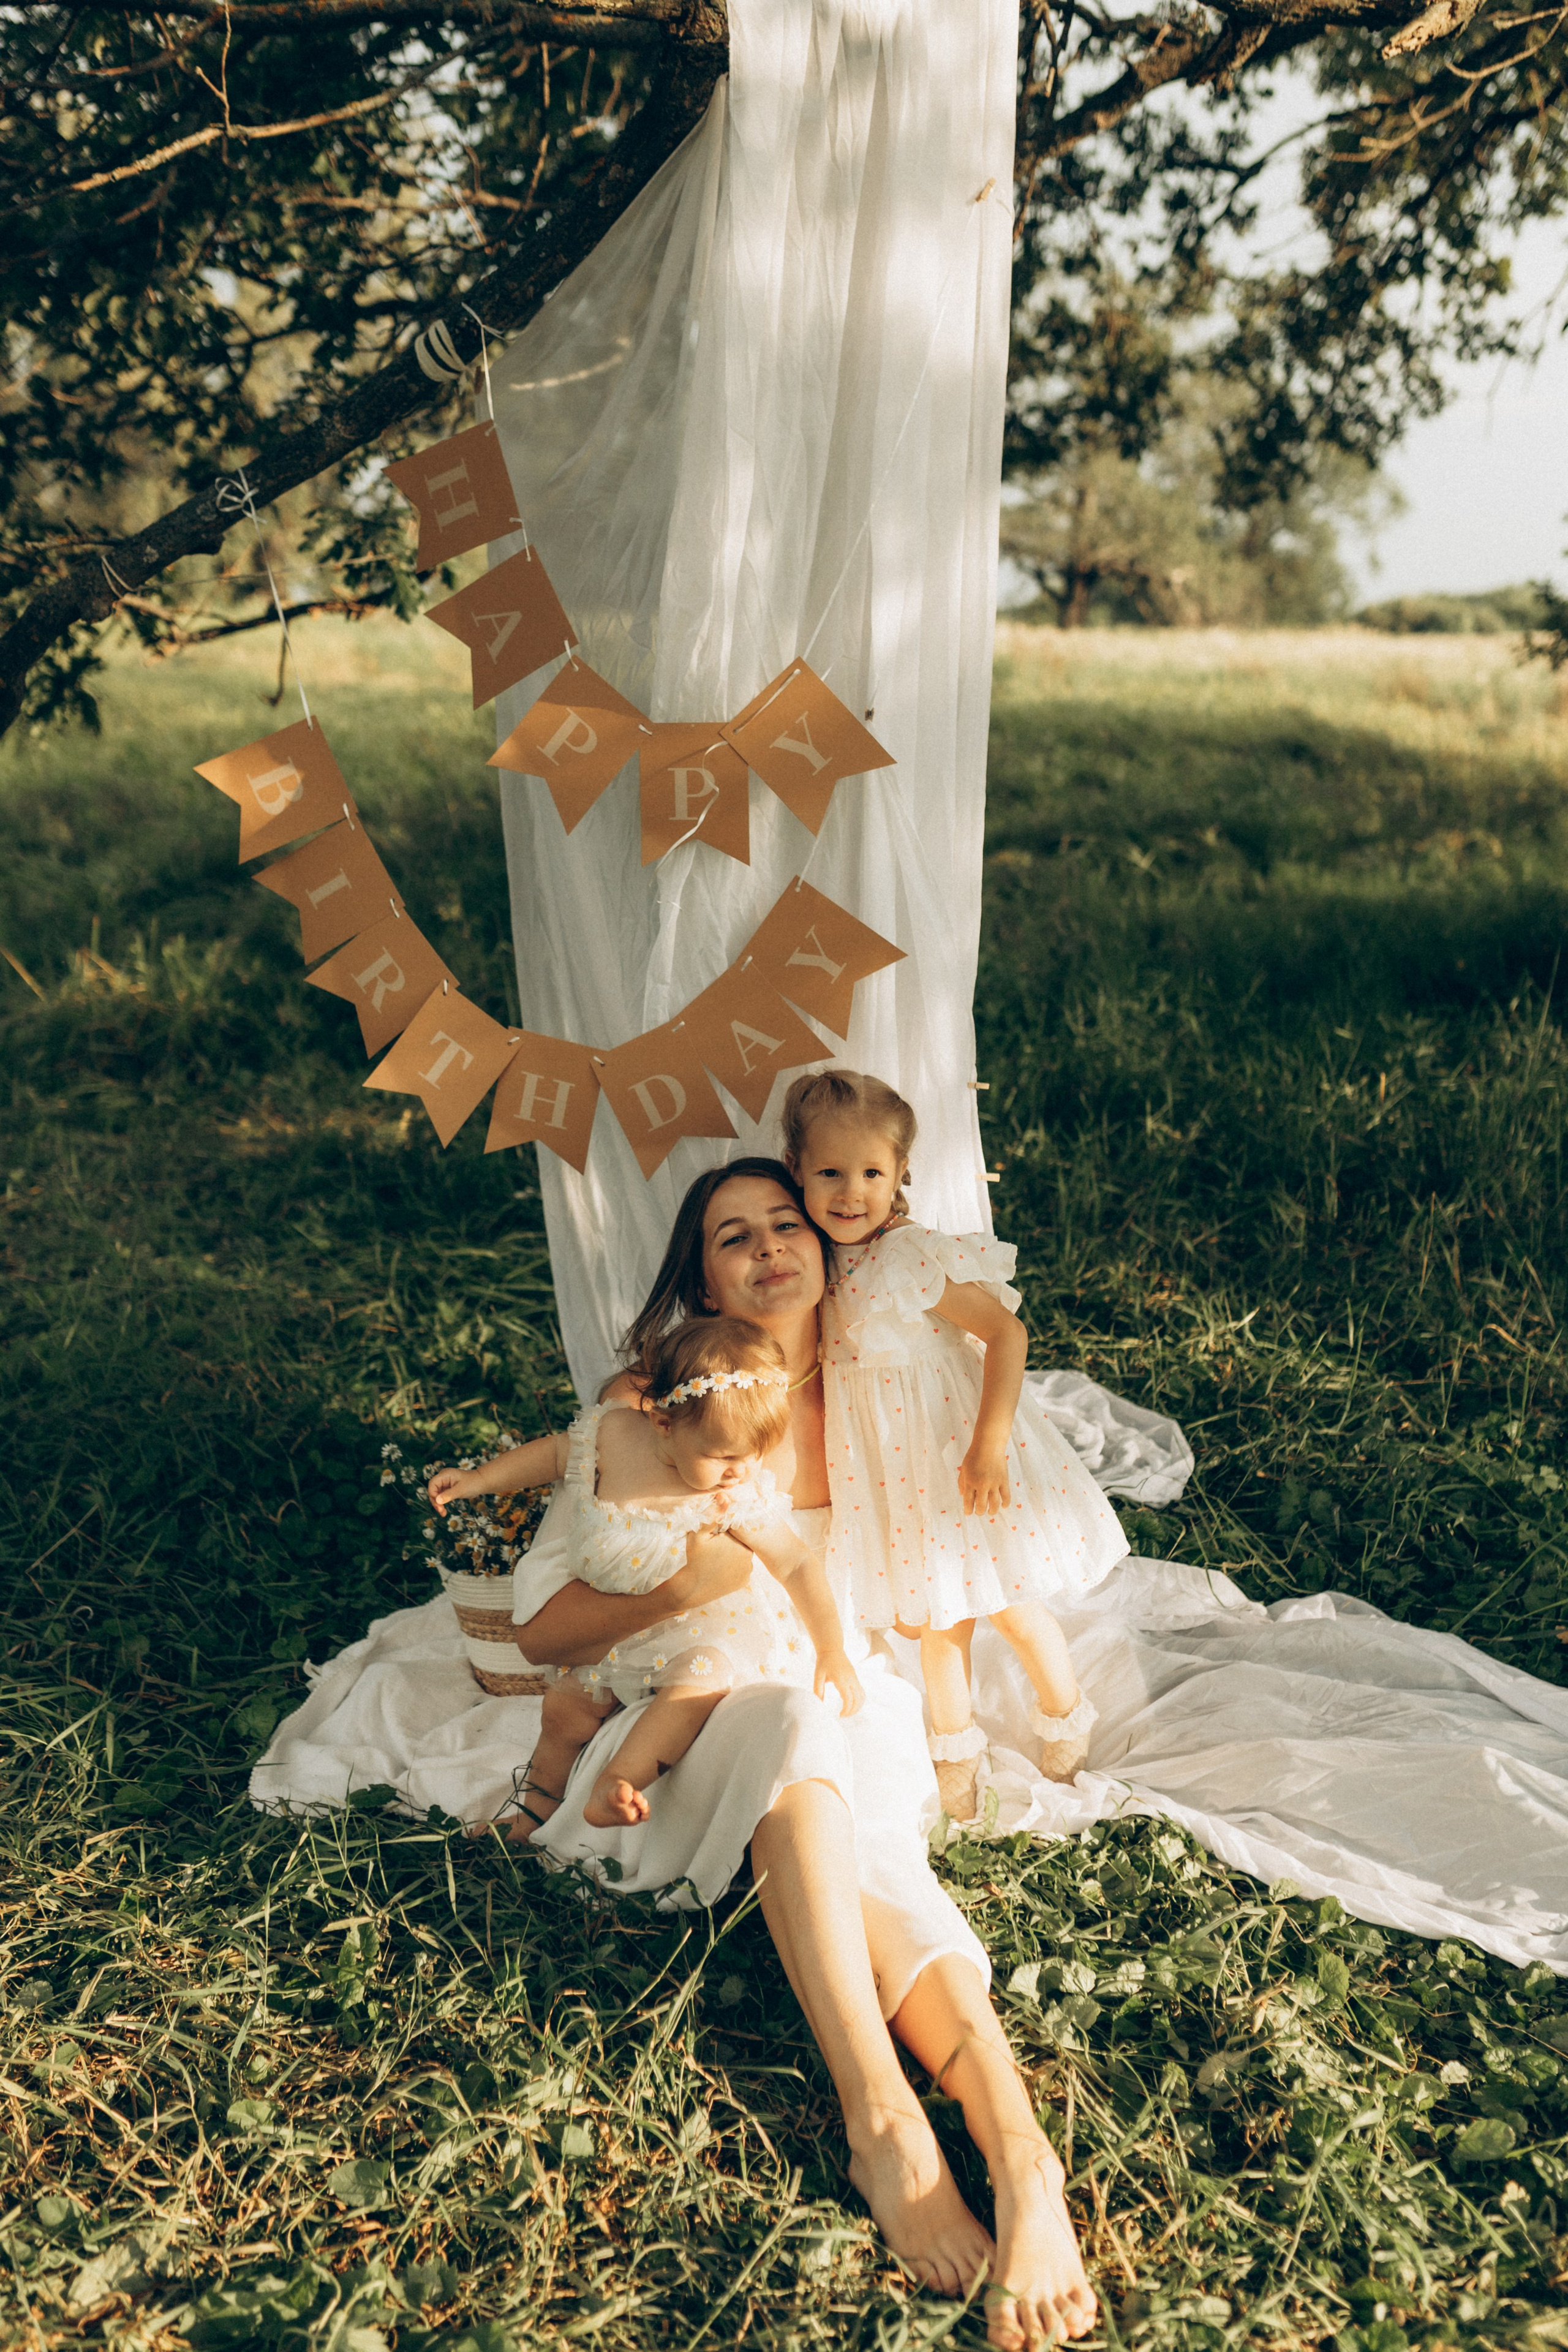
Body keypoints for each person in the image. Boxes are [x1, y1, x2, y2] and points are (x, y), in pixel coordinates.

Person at [512, 1157, 1097, 2351]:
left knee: (881, 1857)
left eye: (787, 1222)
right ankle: (881, 2118)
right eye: (733, 1235)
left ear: (827, 1250)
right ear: (702, 1279)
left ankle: (1023, 2158)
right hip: (694, 1702)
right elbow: (543, 1632)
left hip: (848, 1682)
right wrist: (684, 1586)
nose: (770, 1245)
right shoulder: (652, 1406)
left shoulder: (885, 1383)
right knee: (785, 1725)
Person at [780, 1070, 1128, 1822]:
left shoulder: (909, 1256)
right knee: (938, 1620)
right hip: (893, 1473)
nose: (851, 1192)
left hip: (957, 1455)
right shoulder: (819, 1263)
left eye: (871, 1173)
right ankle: (955, 1761)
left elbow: (1006, 1333)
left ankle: (1064, 1714)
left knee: (1011, 1606)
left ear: (900, 1175)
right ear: (796, 1171)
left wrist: (989, 1445)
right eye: (830, 1173)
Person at [426, 1316, 861, 1830]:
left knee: (696, 1686)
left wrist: (831, 1649)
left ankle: (620, 1784)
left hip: (696, 1634)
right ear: (663, 1423)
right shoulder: (613, 1435)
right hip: (613, 1631)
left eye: (754, 1455)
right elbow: (554, 1454)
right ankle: (534, 1809)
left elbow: (796, 1563)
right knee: (563, 1714)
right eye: (723, 1455)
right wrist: (479, 1480)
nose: (741, 1471)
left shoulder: (733, 1498)